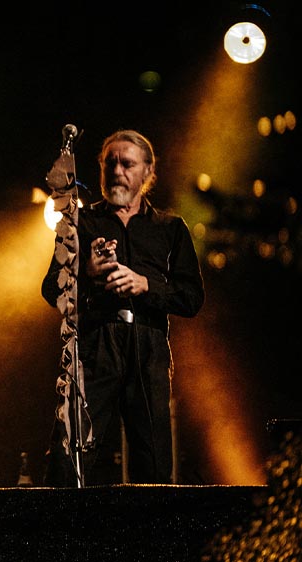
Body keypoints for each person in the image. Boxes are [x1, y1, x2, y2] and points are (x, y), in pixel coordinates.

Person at [41, 129, 204, 486]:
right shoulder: (80, 223)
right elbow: (51, 289)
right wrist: (85, 272)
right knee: (68, 455)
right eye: (109, 163)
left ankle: (150, 523)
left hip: (148, 344)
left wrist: (145, 285)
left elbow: (192, 298)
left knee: (154, 461)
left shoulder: (170, 228)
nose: (117, 171)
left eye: (127, 164)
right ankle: (58, 521)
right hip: (96, 343)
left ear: (148, 171)